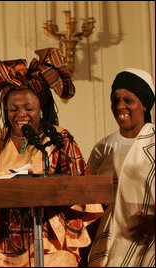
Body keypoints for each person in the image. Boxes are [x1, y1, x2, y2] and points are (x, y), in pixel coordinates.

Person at [0, 48, 104, 267]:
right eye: (13, 109)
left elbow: (81, 188)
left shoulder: (59, 138)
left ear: (42, 109)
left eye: (29, 107)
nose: (21, 114)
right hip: (6, 241)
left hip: (53, 242)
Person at [87, 68, 155, 267]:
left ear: (144, 104)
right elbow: (88, 200)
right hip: (110, 242)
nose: (120, 106)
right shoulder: (103, 148)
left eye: (128, 100)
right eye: (115, 100)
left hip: (148, 241)